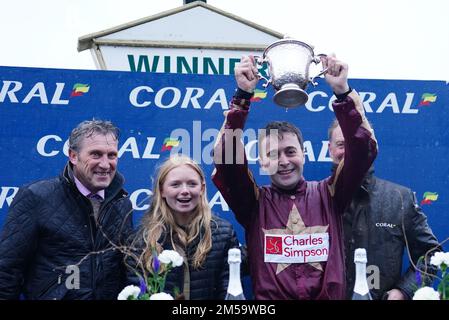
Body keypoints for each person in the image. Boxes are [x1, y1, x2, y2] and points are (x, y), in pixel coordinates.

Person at [212, 55, 378, 300]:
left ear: (305, 154)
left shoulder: (330, 194)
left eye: (290, 152)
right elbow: (226, 161)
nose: (283, 161)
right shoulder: (254, 203)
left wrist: (342, 93)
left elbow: (363, 150)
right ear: (261, 162)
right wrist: (243, 97)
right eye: (272, 154)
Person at [0, 120, 133, 300]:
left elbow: (127, 270)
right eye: (96, 154)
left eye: (112, 155)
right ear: (73, 156)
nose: (105, 164)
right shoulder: (36, 197)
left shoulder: (122, 203)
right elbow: (7, 270)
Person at [328, 120, 440, 300]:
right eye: (341, 144)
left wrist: (405, 290)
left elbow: (431, 256)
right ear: (330, 149)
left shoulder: (399, 198)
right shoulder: (317, 197)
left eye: (356, 143)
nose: (349, 151)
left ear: (370, 147)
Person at [127, 154, 240, 300]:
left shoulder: (223, 234)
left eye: (192, 184)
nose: (185, 190)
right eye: (175, 184)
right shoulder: (142, 239)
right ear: (161, 190)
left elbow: (228, 292)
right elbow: (137, 292)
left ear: (202, 188)